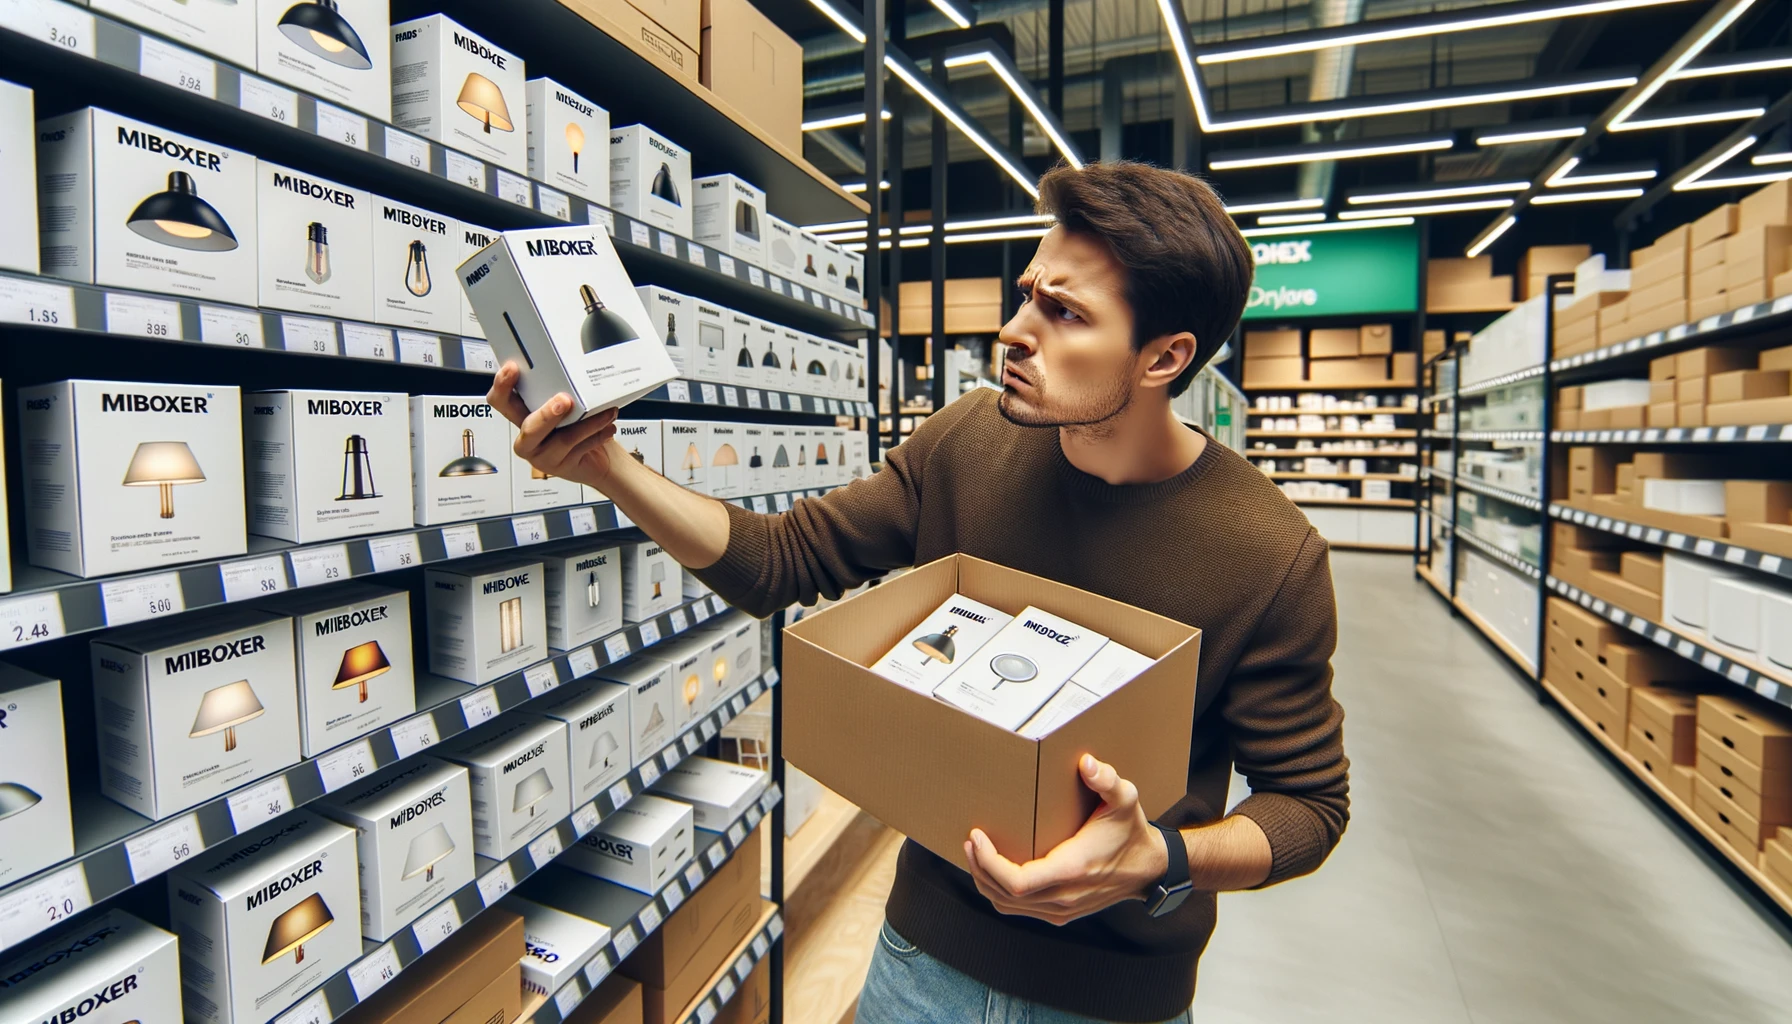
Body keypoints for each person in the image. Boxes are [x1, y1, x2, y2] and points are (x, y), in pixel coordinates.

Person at [490, 161, 1349, 1024]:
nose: (1013, 332)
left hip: (1117, 1002)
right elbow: (781, 561)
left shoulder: (1268, 555)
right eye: (1025, 297)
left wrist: (1160, 859)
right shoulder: (967, 445)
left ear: (1164, 357)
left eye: (1065, 313)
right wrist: (606, 467)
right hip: (919, 963)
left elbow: (1308, 807)